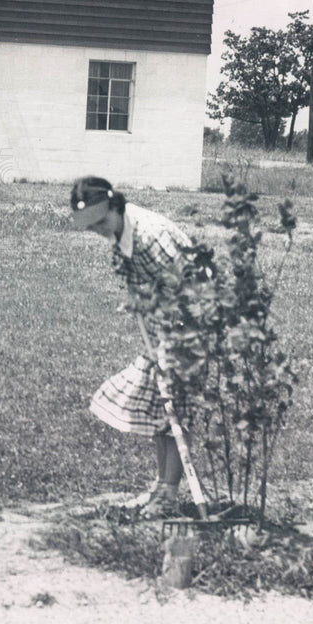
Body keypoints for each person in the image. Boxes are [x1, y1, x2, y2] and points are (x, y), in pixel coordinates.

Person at [70, 175, 194, 519]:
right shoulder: (121, 231)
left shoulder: (151, 237)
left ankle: (169, 493)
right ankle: (161, 488)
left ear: (114, 205)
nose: (97, 229)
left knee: (173, 411)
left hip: (190, 327)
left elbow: (192, 289)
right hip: (162, 327)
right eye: (90, 225)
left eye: (100, 221)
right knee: (158, 407)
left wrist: (175, 343)